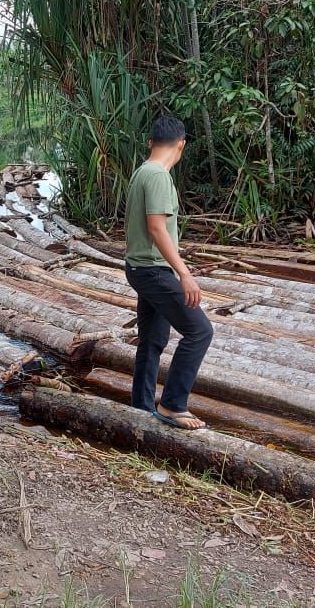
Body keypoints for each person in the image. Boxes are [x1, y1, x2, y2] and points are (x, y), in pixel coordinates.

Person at [124, 114, 213, 430]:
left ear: (151, 144)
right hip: (153, 271)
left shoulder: (141, 172)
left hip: (139, 269)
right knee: (200, 331)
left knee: (152, 340)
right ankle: (173, 404)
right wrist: (184, 273)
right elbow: (157, 228)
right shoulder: (159, 176)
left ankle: (142, 408)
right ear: (181, 145)